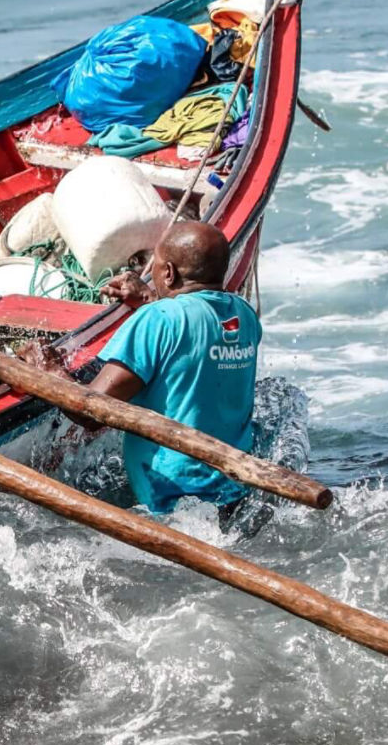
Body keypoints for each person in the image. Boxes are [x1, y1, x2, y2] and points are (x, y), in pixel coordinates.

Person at [85, 221, 262, 523]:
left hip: (170, 505)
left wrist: (48, 369)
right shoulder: (244, 315)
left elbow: (89, 412)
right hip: (234, 494)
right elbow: (194, 345)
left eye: (155, 266)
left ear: (169, 273)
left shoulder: (159, 319)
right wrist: (149, 299)